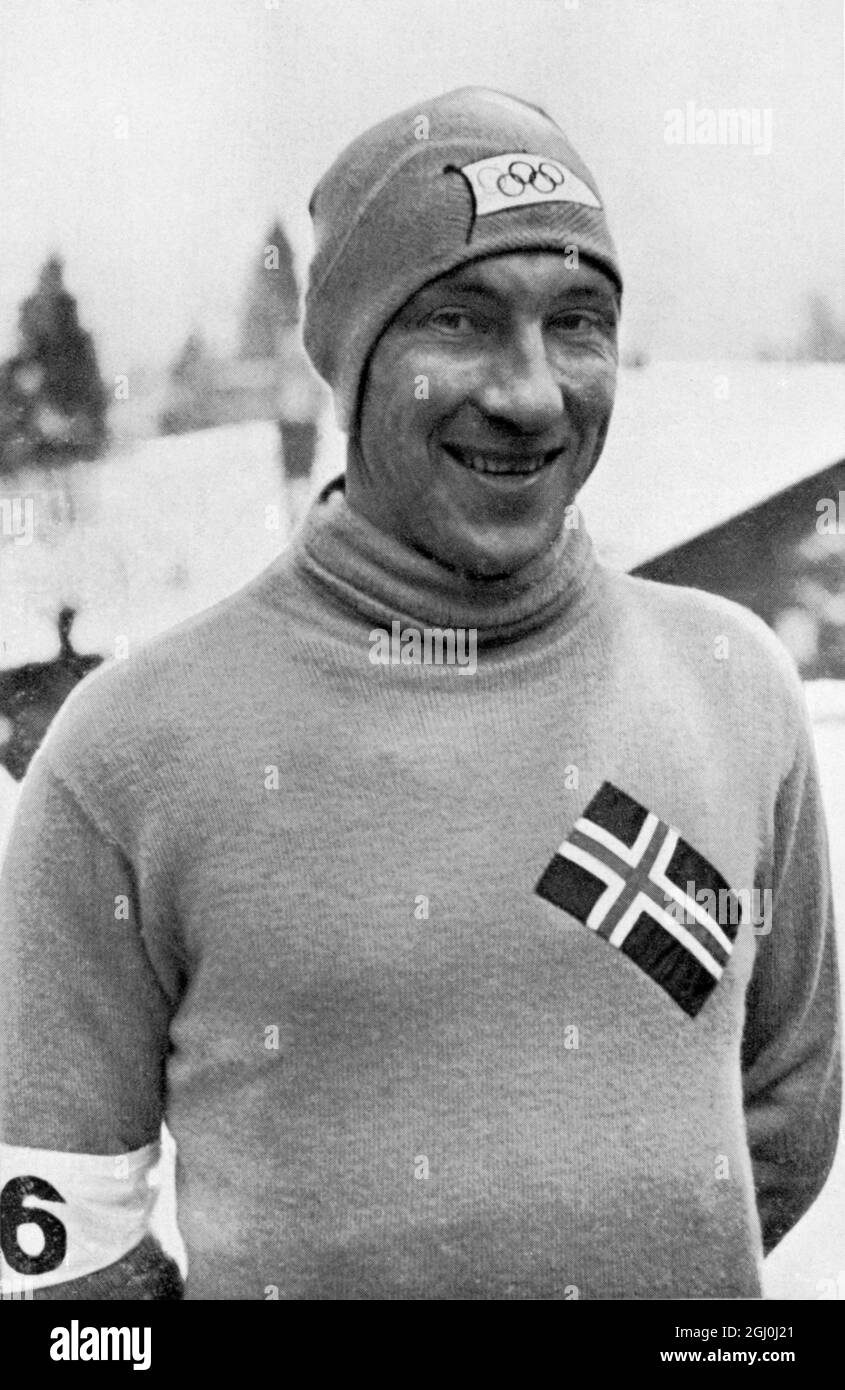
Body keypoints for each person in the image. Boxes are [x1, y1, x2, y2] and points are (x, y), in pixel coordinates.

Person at [0, 87, 840, 1301]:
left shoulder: (730, 684)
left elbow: (782, 1117)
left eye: (578, 321)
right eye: (459, 320)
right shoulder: (130, 750)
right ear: (351, 361)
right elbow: (56, 1254)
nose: (530, 390)